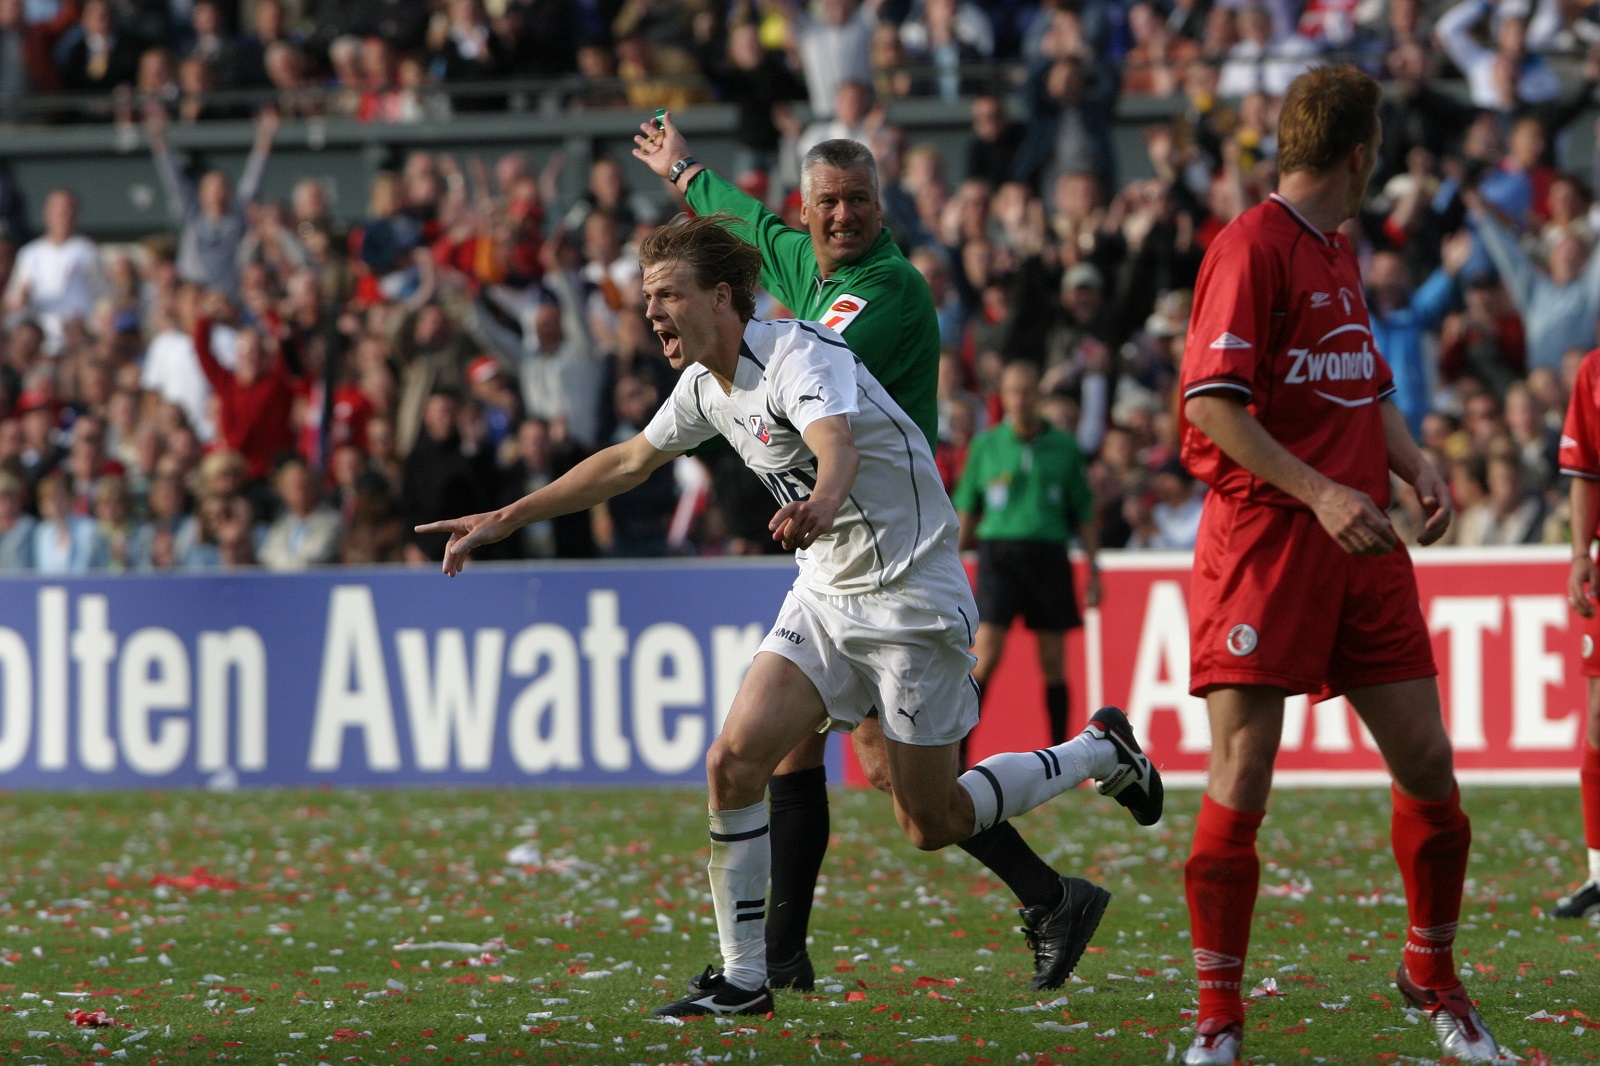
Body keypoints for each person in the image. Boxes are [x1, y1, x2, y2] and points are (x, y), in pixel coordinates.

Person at [416, 214, 1163, 1016]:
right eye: (648, 298)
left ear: (722, 298)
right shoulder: (704, 385)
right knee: (733, 762)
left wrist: (822, 502)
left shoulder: (796, 355)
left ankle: (1098, 750)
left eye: (668, 294)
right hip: (826, 591)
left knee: (932, 819)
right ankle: (747, 980)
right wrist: (507, 517)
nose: (651, 311)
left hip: (910, 593)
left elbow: (835, 445)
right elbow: (629, 461)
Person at [633, 114, 1086, 992]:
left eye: (859, 201)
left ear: (883, 207)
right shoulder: (802, 259)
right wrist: (683, 171)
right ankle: (781, 957)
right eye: (828, 204)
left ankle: (1064, 853)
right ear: (807, 211)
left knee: (915, 802)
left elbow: (811, 364)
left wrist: (727, 353)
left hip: (890, 554)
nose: (843, 216)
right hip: (832, 550)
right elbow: (747, 221)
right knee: (793, 752)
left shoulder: (888, 289)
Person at [1175, 66, 1497, 1065]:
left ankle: (1429, 972)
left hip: (1361, 545)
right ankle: (1218, 1019)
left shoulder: (1335, 248)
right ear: (1361, 155)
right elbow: (1209, 404)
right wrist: (1320, 492)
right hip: (1269, 543)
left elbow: (1363, 380)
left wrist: (1413, 464)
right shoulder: (1250, 247)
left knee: (1429, 765)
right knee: (1243, 773)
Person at [953, 361, 1100, 749]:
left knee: (1053, 662)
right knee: (986, 656)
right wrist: (951, 563)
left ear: (1039, 395)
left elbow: (1084, 511)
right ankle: (959, 755)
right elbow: (967, 508)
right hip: (998, 555)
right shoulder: (986, 445)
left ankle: (1060, 755)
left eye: (1026, 391)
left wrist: (1095, 567)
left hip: (1048, 554)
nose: (1019, 400)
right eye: (1012, 392)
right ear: (1002, 397)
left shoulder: (1064, 447)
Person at [1555, 346, 1600, 920]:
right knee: (1599, 713)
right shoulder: (1593, 371)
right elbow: (1585, 470)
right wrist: (1580, 554)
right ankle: (1599, 873)